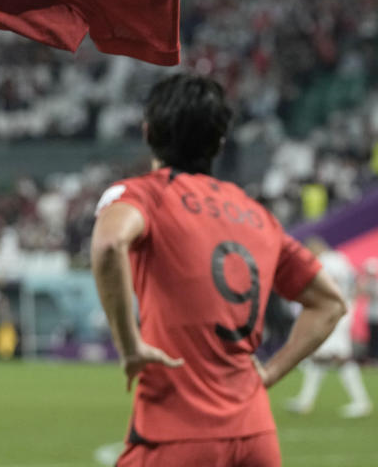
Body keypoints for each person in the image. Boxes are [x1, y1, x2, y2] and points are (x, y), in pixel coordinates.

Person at [90, 74, 346, 467]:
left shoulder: (146, 194)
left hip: (177, 430)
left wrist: (129, 346)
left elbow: (109, 244)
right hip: (256, 434)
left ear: (148, 132)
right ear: (219, 142)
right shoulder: (256, 213)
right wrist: (271, 373)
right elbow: (330, 304)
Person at [285, 237, 372, 418]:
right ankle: (305, 401)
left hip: (331, 312)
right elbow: (356, 280)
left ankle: (361, 401)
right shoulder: (341, 259)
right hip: (343, 309)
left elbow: (319, 288)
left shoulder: (323, 262)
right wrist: (351, 301)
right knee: (320, 357)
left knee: (337, 357)